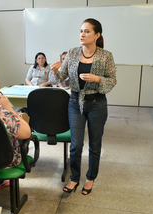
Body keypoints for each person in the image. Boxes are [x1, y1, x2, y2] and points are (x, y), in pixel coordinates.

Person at [50, 18, 117, 195]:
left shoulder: (106, 55)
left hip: (97, 104)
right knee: (76, 144)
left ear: (97, 35)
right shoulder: (72, 53)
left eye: (87, 31)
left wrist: (97, 79)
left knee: (95, 145)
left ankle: (90, 178)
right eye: (81, 31)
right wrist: (55, 71)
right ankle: (74, 178)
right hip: (74, 102)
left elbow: (112, 80)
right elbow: (60, 78)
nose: (82, 34)